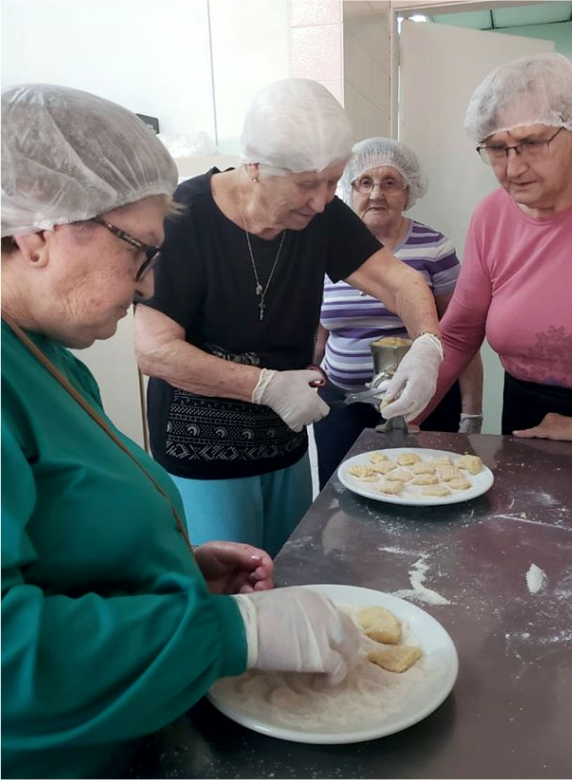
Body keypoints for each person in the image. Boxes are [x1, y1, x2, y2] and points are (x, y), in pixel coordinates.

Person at [0, 84, 362, 780]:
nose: (146, 287)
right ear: (39, 233)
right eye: (140, 253)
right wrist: (232, 632)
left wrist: (165, 568)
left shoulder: (47, 357)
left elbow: (54, 539)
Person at [135, 78, 444, 555]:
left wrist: (427, 345)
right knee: (230, 583)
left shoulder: (321, 214)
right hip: (202, 453)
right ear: (255, 167)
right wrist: (265, 386)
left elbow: (401, 282)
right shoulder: (186, 216)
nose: (321, 201)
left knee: (288, 569)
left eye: (332, 182)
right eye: (305, 186)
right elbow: (153, 349)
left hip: (285, 442)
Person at [416, 53, 572, 443]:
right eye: (496, 149)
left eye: (531, 143)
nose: (513, 169)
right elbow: (460, 333)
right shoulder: (491, 215)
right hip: (524, 410)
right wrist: (410, 414)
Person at [313, 137, 484, 488]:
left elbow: (460, 332)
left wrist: (471, 411)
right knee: (341, 496)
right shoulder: (324, 250)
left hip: (422, 401)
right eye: (365, 182)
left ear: (408, 191)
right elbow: (319, 333)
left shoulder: (433, 247)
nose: (376, 193)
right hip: (342, 402)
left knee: (425, 489)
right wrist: (304, 378)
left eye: (389, 183)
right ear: (349, 190)